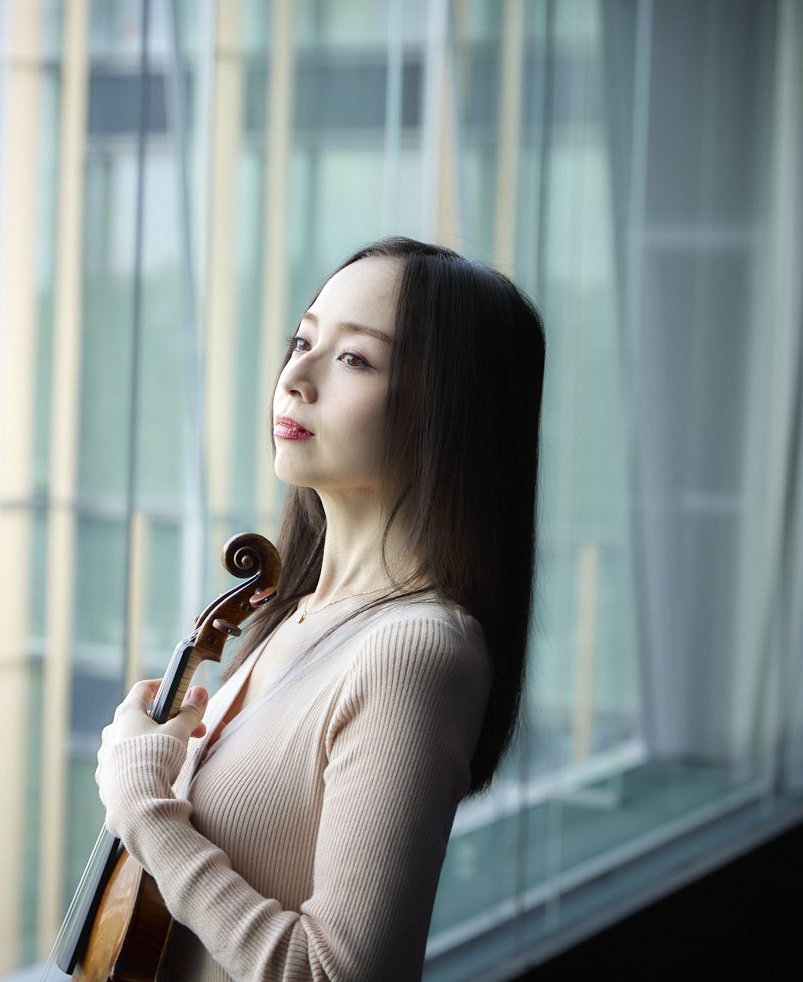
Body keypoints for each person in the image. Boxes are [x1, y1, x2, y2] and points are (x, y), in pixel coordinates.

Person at [94, 237, 545, 982]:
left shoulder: (417, 650)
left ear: (448, 412)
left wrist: (144, 803)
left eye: (354, 359)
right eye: (303, 341)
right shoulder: (291, 613)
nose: (294, 378)